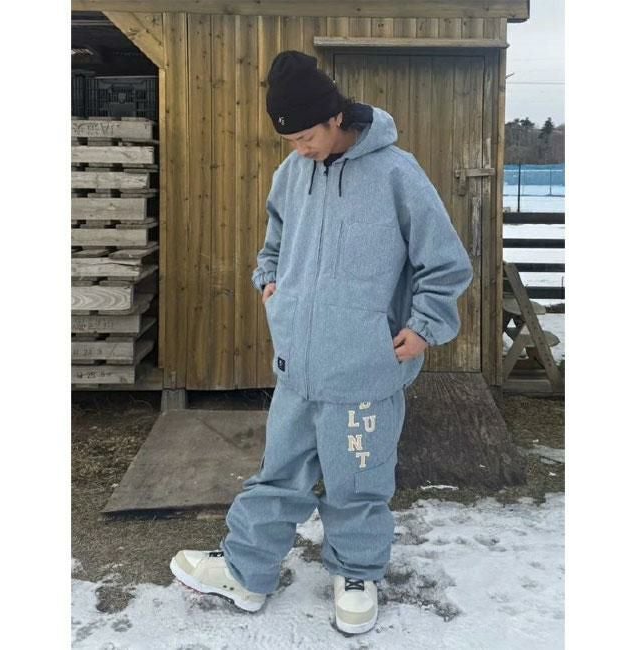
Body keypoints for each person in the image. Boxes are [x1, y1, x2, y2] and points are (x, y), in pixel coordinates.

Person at [170, 50, 474, 634]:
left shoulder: (397, 173)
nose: (299, 148)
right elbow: (275, 239)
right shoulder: (293, 172)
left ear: (336, 118)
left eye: (306, 136)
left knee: (358, 481)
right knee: (277, 473)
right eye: (289, 140)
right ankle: (246, 571)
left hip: (364, 369)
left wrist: (424, 326)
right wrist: (269, 280)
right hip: (299, 365)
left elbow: (444, 262)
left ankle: (356, 574)